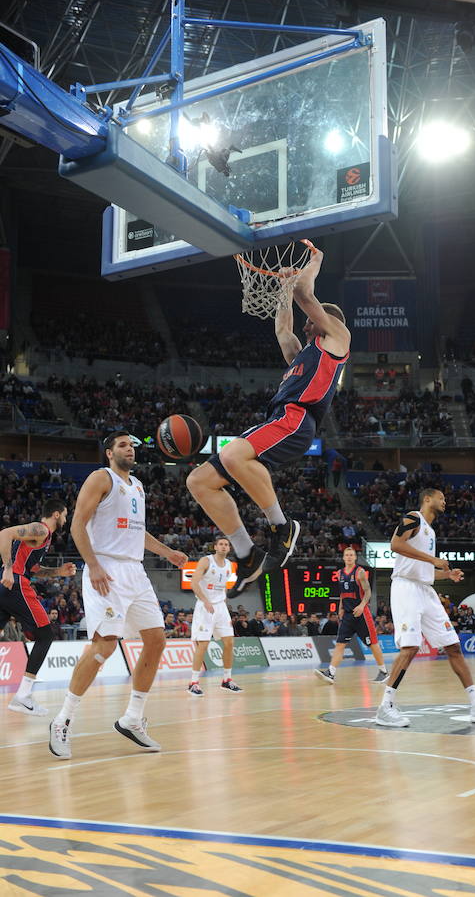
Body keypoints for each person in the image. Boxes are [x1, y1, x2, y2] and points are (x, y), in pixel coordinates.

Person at [186, 242, 350, 596]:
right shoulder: (302, 356)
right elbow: (282, 331)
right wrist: (284, 290)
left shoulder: (337, 339)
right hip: (278, 419)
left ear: (327, 321)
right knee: (198, 481)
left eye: (312, 321)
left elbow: (308, 295)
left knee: (232, 454)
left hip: (297, 419)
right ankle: (247, 555)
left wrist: (315, 263)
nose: (306, 327)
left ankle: (282, 526)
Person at [49, 431, 187, 760]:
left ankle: (132, 719)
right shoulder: (101, 478)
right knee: (105, 645)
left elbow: (138, 532)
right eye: (123, 445)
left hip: (135, 572)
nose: (130, 449)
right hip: (106, 569)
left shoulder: (137, 485)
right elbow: (78, 525)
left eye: (133, 446)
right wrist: (93, 566)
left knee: (156, 640)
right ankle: (62, 720)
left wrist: (167, 552)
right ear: (110, 452)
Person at [375, 488, 475, 727]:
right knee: (410, 647)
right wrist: (433, 560)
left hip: (425, 590)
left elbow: (426, 573)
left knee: (453, 646)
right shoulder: (413, 517)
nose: (445, 501)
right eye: (441, 498)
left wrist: (446, 574)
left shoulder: (431, 532)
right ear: (427, 499)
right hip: (405, 588)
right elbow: (395, 544)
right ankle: (385, 707)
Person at [0, 498, 75, 715]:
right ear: (57, 514)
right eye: (66, 514)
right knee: (45, 635)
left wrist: (58, 572)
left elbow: (34, 569)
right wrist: (7, 568)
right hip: (15, 584)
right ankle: (22, 696)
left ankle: (23, 696)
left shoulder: (42, 538)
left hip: (8, 584)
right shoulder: (40, 529)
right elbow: (4, 533)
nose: (67, 519)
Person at [315, 547, 388, 685]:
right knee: (340, 644)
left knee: (372, 643)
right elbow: (343, 593)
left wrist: (361, 606)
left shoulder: (360, 572)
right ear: (343, 557)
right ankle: (331, 672)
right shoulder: (339, 573)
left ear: (355, 557)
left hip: (361, 615)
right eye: (346, 555)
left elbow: (367, 592)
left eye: (351, 555)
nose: (348, 557)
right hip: (348, 615)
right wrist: (340, 607)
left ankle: (383, 671)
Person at [187, 536, 242, 696]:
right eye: (221, 544)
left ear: (229, 548)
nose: (224, 546)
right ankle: (193, 682)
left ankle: (227, 680)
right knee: (202, 645)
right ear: (215, 547)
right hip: (205, 607)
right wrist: (206, 601)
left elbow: (222, 587)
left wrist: (223, 606)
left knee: (229, 642)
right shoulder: (206, 561)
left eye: (227, 544)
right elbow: (194, 583)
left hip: (220, 608)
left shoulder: (229, 565)